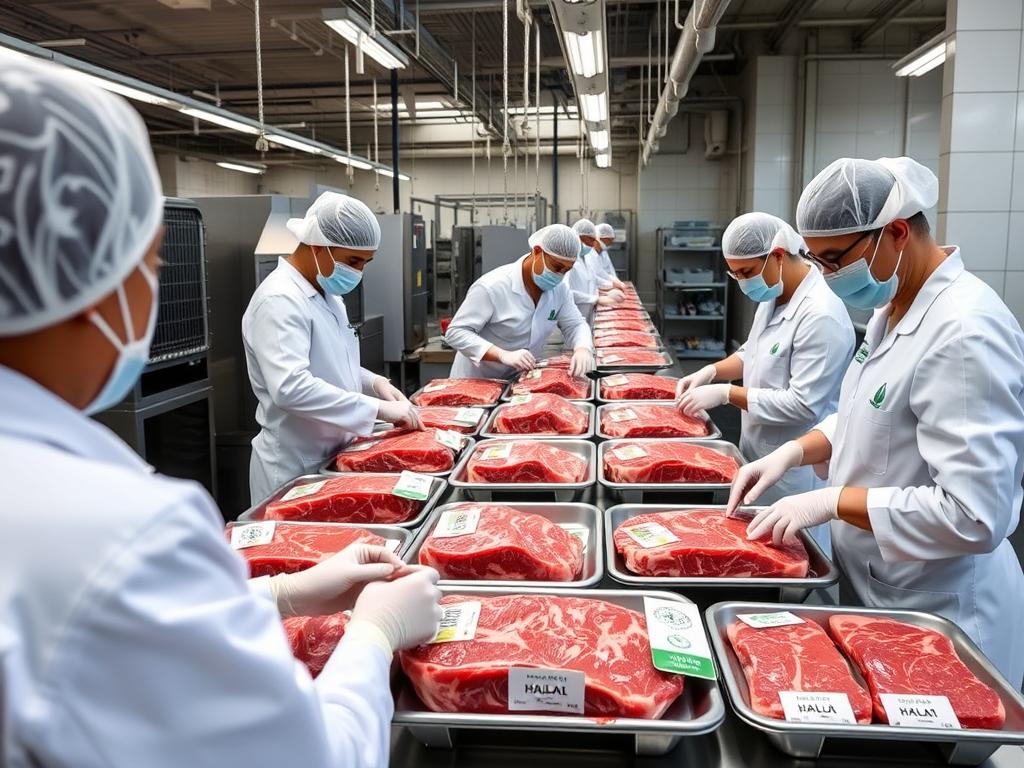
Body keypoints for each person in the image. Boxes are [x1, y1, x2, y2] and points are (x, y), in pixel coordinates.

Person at [0, 54, 442, 768]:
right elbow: (311, 756)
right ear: (93, 277)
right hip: (293, 462)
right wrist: (374, 635)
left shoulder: (325, 297)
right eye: (148, 264)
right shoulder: (124, 529)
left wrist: (282, 595)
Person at [729, 157, 1024, 687]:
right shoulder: (894, 310)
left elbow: (976, 512)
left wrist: (828, 500)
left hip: (945, 608)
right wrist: (795, 452)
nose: (826, 276)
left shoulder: (965, 331)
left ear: (895, 232)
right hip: (882, 586)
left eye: (834, 259)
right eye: (816, 261)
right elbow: (865, 413)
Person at [676, 213, 854, 555]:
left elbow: (803, 404)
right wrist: (713, 371)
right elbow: (752, 352)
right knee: (751, 547)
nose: (743, 282)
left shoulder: (821, 315)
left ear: (778, 255)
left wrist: (728, 393)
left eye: (747, 272)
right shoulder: (774, 295)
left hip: (797, 470)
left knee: (793, 557)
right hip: (758, 450)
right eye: (735, 274)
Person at [243, 192, 423, 503]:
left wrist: (375, 383)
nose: (359, 272)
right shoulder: (279, 300)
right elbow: (290, 387)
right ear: (316, 244)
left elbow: (333, 360)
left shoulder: (328, 296)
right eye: (353, 261)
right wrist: (378, 410)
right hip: (293, 466)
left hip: (331, 455)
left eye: (366, 262)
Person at [446, 223, 595, 378]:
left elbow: (575, 324)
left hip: (520, 381)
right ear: (537, 252)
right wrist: (502, 355)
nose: (560, 276)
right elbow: (456, 332)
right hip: (478, 381)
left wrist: (583, 347)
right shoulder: (492, 287)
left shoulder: (560, 290)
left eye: (566, 270)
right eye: (556, 268)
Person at [566, 218, 624, 324]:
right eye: (591, 240)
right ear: (579, 238)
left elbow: (594, 279)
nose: (593, 244)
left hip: (587, 314)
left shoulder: (585, 258)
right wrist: (595, 299)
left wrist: (610, 287)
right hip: (573, 319)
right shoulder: (567, 261)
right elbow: (566, 293)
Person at [594, 222, 627, 290]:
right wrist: (611, 284)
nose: (611, 243)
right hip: (598, 288)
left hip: (606, 287)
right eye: (609, 240)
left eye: (612, 240)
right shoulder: (590, 255)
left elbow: (610, 270)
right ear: (599, 238)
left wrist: (616, 281)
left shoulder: (604, 253)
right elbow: (597, 274)